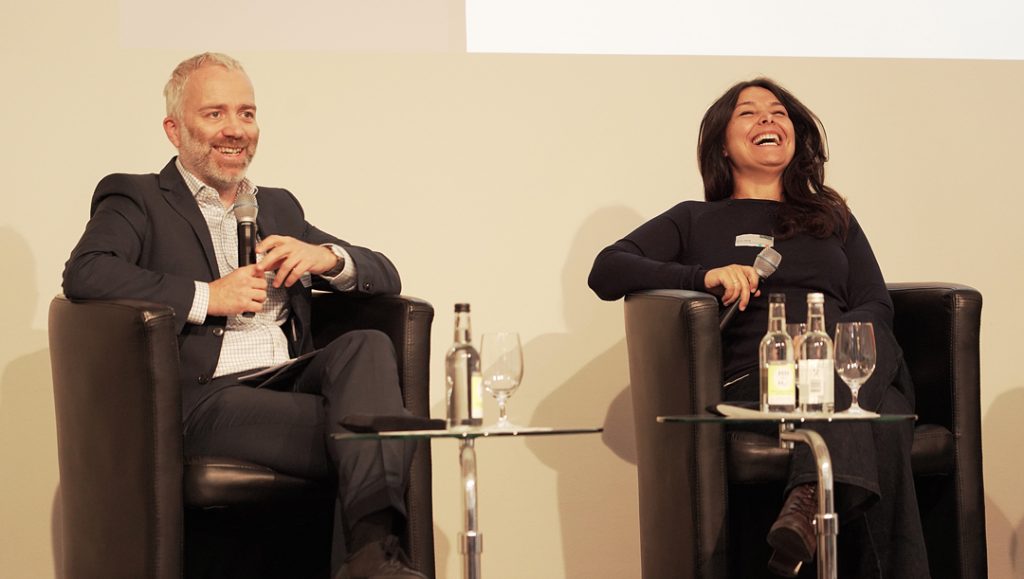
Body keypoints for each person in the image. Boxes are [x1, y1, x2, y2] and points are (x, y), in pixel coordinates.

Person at [62, 52, 427, 579]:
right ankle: (374, 558)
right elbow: (87, 271)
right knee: (382, 430)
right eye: (215, 114)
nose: (235, 129)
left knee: (368, 345)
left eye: (247, 113)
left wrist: (327, 258)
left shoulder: (277, 206)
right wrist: (208, 296)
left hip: (288, 379)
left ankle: (368, 561)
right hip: (208, 397)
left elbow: (385, 273)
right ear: (174, 130)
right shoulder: (137, 197)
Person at [588, 78, 930, 578]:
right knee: (888, 417)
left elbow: (874, 302)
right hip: (762, 382)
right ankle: (815, 497)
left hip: (846, 367)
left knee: (871, 358)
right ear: (722, 145)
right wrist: (702, 277)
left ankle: (807, 500)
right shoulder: (695, 219)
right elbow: (607, 269)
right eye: (748, 112)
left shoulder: (833, 218)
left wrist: (836, 353)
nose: (768, 118)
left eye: (778, 112)